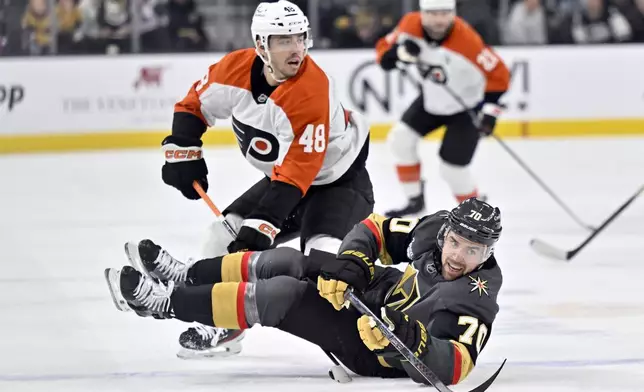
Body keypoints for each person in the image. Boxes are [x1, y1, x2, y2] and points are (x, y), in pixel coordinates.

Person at [158, 0, 373, 358]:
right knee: (219, 237)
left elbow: (299, 171)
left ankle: (353, 341)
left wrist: (261, 229)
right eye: (284, 40)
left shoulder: (312, 88)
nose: (297, 49)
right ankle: (223, 325)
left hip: (338, 184)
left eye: (300, 38)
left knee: (324, 263)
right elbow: (194, 104)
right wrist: (184, 149)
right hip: (285, 181)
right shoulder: (234, 70)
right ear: (261, 45)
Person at [105, 197, 503, 386]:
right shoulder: (432, 233)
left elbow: (454, 365)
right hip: (378, 291)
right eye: (456, 243)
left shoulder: (476, 293)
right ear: (446, 233)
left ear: (488, 253)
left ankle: (165, 303)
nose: (458, 256)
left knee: (283, 295)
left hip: (378, 349)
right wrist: (352, 264)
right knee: (286, 261)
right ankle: (187, 274)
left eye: (474, 250)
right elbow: (374, 229)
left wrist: (409, 339)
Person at [376, 0, 510, 217]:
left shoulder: (468, 42)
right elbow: (384, 53)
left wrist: (490, 113)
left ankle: (475, 211)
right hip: (431, 101)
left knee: (452, 169)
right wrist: (399, 54)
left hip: (466, 107)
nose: (439, 20)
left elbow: (500, 75)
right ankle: (415, 202)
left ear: (453, 14)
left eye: (445, 13)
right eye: (433, 14)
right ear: (422, 14)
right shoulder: (409, 25)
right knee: (400, 140)